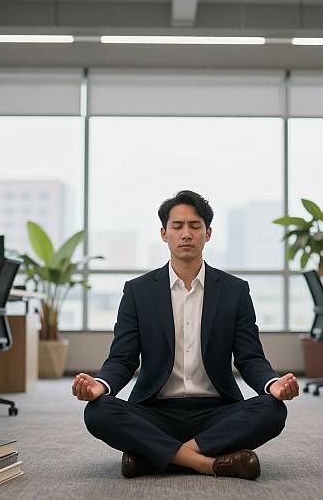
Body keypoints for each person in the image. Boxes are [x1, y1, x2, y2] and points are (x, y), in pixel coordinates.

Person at [72, 190, 299, 480]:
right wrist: (100, 385)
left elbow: (250, 357)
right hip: (156, 413)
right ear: (164, 234)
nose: (186, 234)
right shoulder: (138, 291)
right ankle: (205, 462)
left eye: (195, 226)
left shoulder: (235, 290)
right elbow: (122, 358)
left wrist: (273, 384)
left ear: (208, 233)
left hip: (217, 412)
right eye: (177, 227)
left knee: (272, 411)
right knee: (97, 412)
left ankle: (155, 457)